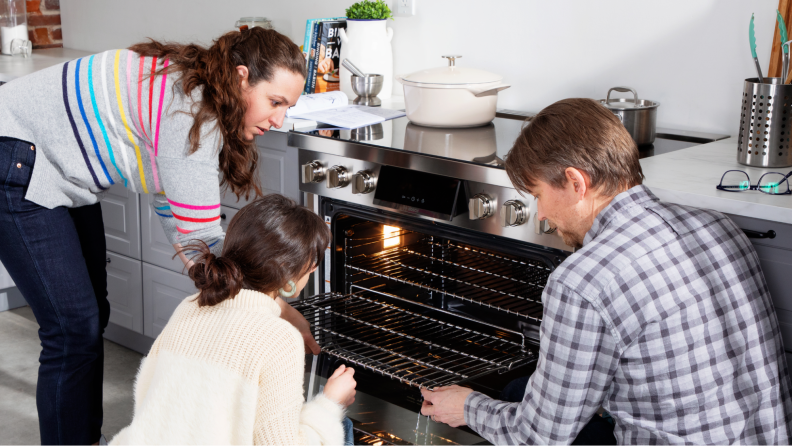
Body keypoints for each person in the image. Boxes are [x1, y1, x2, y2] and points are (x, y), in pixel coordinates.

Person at [0, 27, 318, 446]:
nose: (278, 120)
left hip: (57, 171)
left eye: (287, 107)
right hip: (19, 155)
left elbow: (179, 215)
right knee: (72, 327)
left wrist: (246, 297)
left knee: (91, 314)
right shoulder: (191, 115)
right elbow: (203, 236)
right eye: (274, 102)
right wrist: (280, 312)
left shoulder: (194, 89)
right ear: (241, 78)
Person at [420, 98, 792, 444]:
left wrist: (466, 407)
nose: (543, 215)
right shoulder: (717, 225)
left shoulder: (583, 282)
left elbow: (539, 438)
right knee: (519, 391)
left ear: (576, 183)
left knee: (514, 402)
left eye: (538, 196)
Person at [109, 194, 356, 445]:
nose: (313, 268)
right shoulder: (280, 338)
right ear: (286, 272)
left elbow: (147, 401)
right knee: (342, 426)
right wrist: (330, 402)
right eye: (312, 261)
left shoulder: (190, 307)